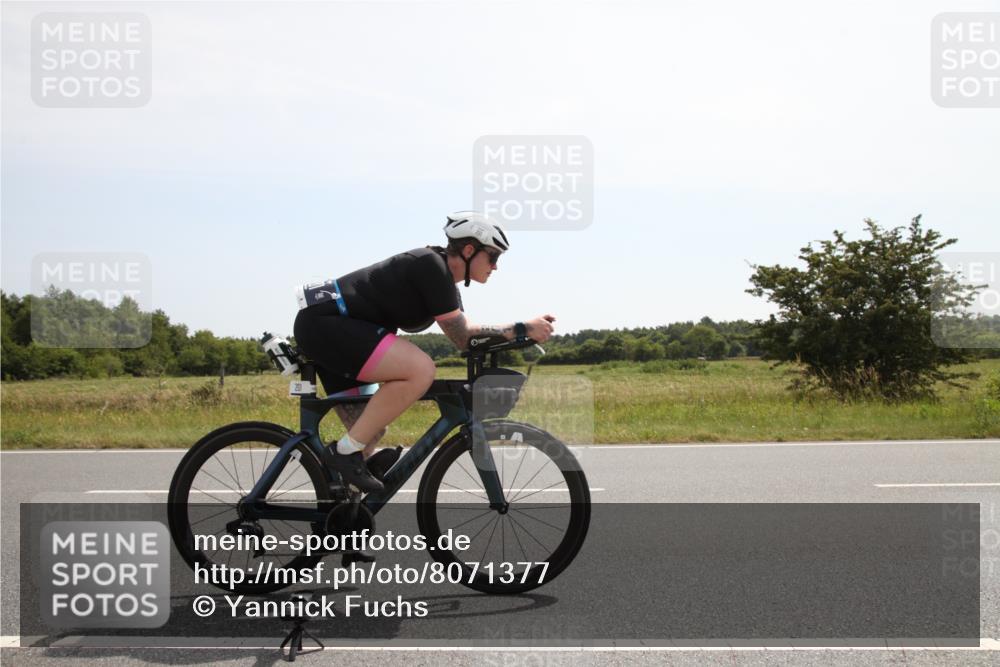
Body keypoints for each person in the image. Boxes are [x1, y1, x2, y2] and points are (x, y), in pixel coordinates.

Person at [293, 211, 556, 492]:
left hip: (337, 330)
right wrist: (523, 328)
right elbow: (463, 336)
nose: (495, 267)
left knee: (369, 432)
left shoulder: (444, 283)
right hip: (327, 325)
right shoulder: (431, 266)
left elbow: (469, 336)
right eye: (493, 257)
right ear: (469, 250)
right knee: (420, 369)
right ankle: (343, 454)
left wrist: (519, 336)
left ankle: (342, 512)